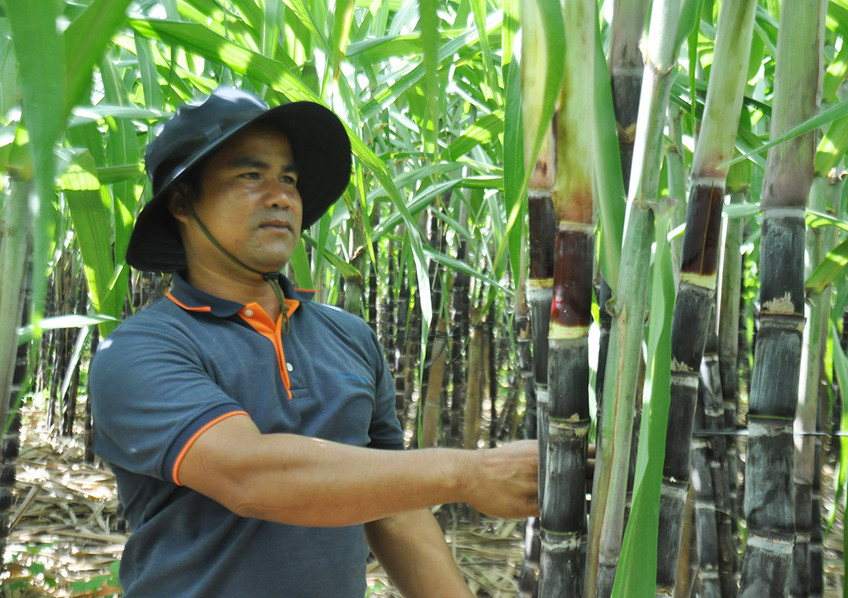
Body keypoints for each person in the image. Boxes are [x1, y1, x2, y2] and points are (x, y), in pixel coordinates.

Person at [88, 87, 539, 597]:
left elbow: (394, 507)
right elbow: (251, 478)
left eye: (289, 179)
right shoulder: (140, 351)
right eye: (250, 175)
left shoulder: (348, 337)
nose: (280, 195)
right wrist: (468, 473)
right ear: (182, 201)